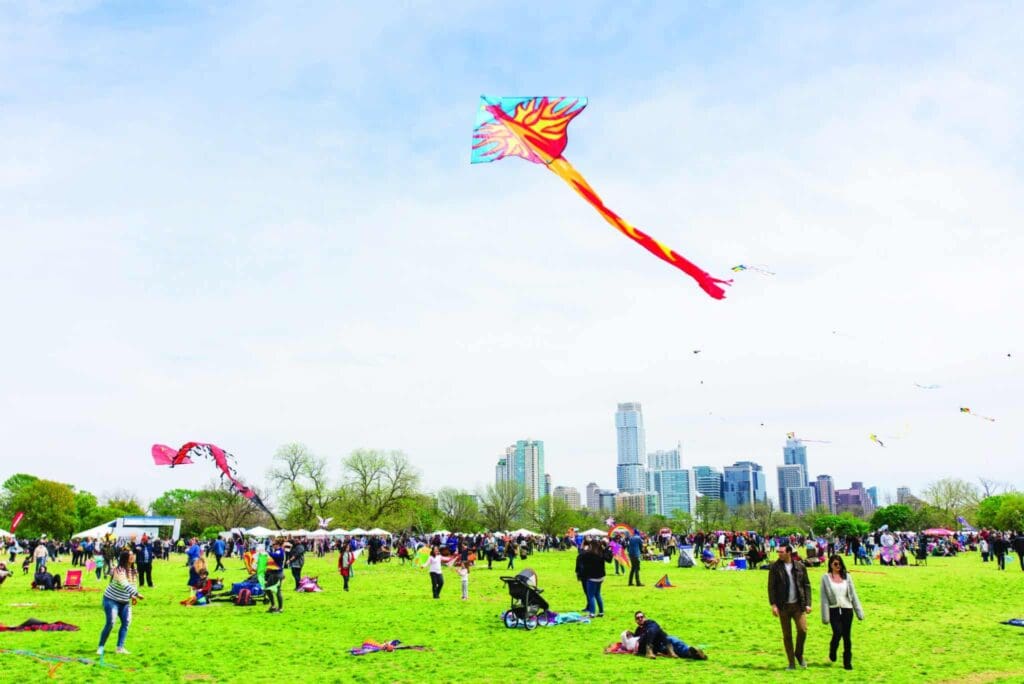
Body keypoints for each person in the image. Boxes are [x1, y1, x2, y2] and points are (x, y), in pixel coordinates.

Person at [768, 543, 812, 670]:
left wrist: (808, 603)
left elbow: (806, 585)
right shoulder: (775, 568)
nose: (779, 554)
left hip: (798, 605)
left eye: (781, 552)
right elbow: (771, 587)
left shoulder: (800, 566)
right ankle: (791, 662)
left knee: (802, 630)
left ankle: (799, 654)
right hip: (783, 606)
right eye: (778, 552)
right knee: (787, 635)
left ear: (789, 552)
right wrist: (773, 605)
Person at [820, 555, 864, 670]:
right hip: (834, 610)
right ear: (830, 565)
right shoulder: (825, 578)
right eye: (835, 564)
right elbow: (824, 598)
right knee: (837, 632)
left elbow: (853, 595)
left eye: (839, 564)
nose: (838, 566)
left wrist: (859, 611)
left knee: (847, 636)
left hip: (847, 610)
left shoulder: (847, 577)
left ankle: (847, 662)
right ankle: (833, 650)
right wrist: (825, 617)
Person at [98, 550, 143, 655]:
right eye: (130, 555)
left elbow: (132, 584)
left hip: (125, 602)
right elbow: (124, 584)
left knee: (126, 623)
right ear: (125, 558)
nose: (133, 556)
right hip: (111, 600)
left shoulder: (133, 570)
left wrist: (132, 596)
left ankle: (120, 647)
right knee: (111, 623)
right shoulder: (119, 570)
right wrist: (136, 594)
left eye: (133, 555)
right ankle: (101, 646)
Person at [581, 540, 611, 617]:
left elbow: (582, 556)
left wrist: (584, 548)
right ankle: (601, 612)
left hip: (592, 578)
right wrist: (606, 549)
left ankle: (592, 613)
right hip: (600, 577)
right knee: (597, 594)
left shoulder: (589, 554)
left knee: (591, 595)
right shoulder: (601, 554)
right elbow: (609, 559)